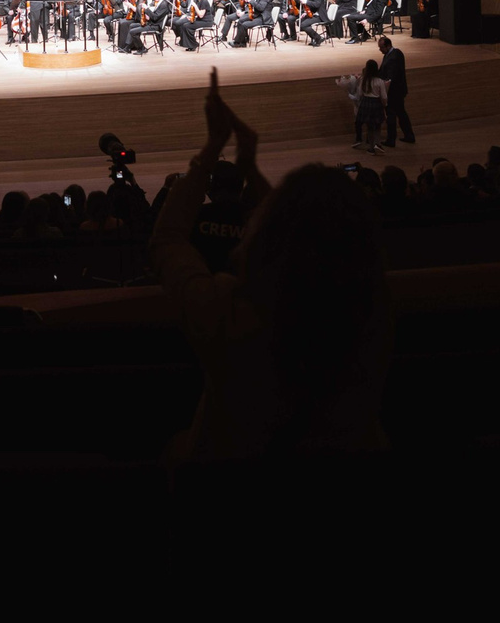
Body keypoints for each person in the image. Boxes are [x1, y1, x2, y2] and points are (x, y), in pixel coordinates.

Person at [151, 72, 390, 459]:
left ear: (262, 237)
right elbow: (292, 228)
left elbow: (168, 239)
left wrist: (215, 150)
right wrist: (251, 171)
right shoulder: (371, 311)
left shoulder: (228, 315)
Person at [377, 36, 415, 148]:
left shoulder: (392, 58)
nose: (380, 50)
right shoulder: (394, 53)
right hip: (399, 90)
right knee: (401, 113)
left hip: (394, 92)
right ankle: (409, 136)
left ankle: (391, 139)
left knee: (392, 115)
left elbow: (389, 77)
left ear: (388, 46)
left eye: (381, 47)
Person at [341, 59, 385, 151]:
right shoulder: (380, 81)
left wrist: (349, 94)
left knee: (369, 126)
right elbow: (384, 96)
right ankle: (378, 143)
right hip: (376, 103)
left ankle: (371, 148)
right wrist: (384, 105)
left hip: (366, 103)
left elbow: (359, 95)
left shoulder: (364, 81)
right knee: (377, 125)